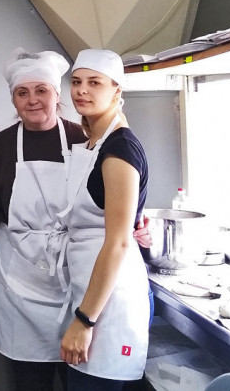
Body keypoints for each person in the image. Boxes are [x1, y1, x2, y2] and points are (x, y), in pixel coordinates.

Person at [0, 48, 84, 390]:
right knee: (29, 383)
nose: (32, 100)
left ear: (57, 95)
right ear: (13, 100)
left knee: (78, 378)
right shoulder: (0, 146)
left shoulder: (83, 141)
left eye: (41, 90)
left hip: (73, 281)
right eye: (22, 93)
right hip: (17, 285)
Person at [58, 50, 150, 391]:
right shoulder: (94, 143)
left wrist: (85, 321)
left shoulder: (120, 149)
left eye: (94, 83)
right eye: (76, 82)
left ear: (116, 91)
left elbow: (119, 242)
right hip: (92, 293)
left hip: (109, 306)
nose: (82, 90)